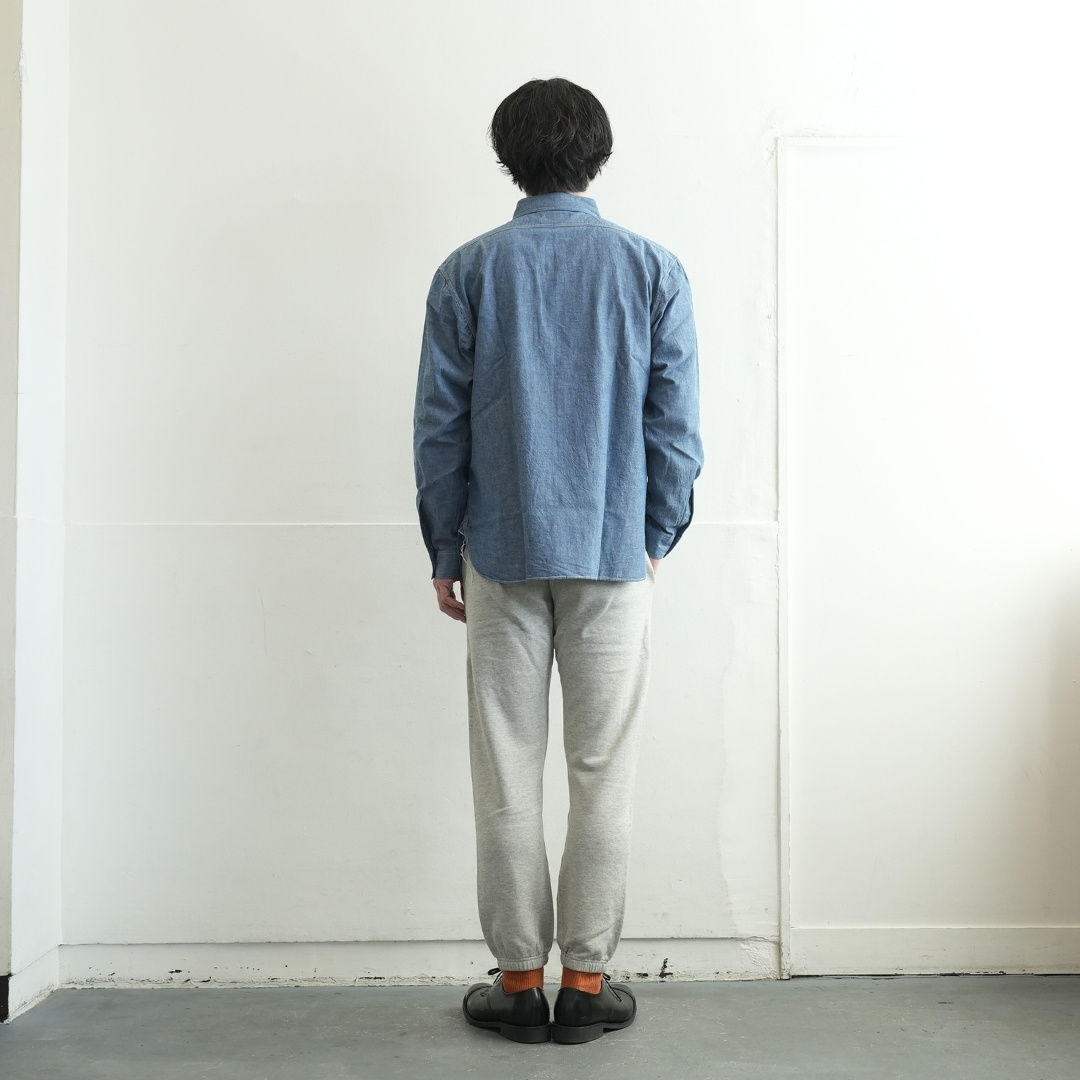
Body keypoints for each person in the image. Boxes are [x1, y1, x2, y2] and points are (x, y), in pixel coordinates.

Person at [413, 77, 703, 1045]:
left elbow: (440, 427)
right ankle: (585, 985)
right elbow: (676, 428)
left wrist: (443, 544)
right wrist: (655, 534)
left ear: (509, 157)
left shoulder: (468, 271)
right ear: (598, 154)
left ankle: (517, 982)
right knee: (602, 773)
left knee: (506, 773)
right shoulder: (652, 269)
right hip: (614, 554)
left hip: (499, 550)